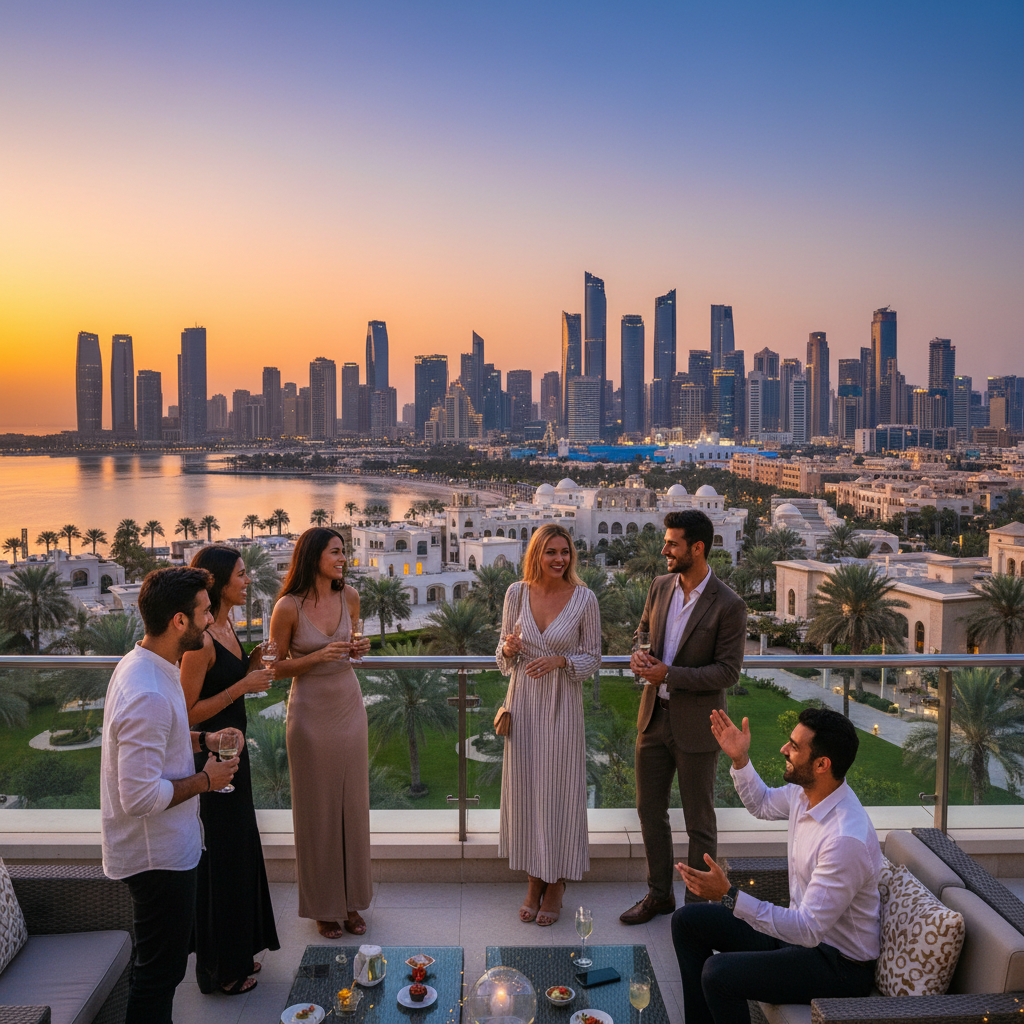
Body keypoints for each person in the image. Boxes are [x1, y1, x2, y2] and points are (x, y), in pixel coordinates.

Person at [672, 707, 882, 1024]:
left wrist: (729, 894)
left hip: (837, 964)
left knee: (719, 974)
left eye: (795, 747)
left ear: (822, 764)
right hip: (799, 940)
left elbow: (808, 929)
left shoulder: (844, 839)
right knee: (687, 921)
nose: (784, 749)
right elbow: (762, 803)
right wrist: (740, 759)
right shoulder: (804, 793)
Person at [101, 567, 242, 1024]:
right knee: (159, 976)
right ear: (180, 621)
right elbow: (138, 797)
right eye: (204, 612)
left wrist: (202, 741)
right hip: (156, 858)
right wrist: (208, 780)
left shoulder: (144, 665)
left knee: (158, 968)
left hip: (164, 848)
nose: (210, 620)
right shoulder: (148, 693)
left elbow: (158, 743)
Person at [621, 509, 746, 925]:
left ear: (698, 548)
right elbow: (641, 632)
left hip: (698, 726)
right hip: (653, 718)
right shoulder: (659, 587)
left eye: (673, 543)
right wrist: (639, 654)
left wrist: (669, 674)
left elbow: (728, 671)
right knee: (648, 810)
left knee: (699, 821)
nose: (665, 549)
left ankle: (697, 909)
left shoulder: (729, 604)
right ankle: (659, 896)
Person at [180, 545, 280, 995]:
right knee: (221, 859)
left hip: (234, 756)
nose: (248, 580)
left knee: (239, 853)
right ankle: (219, 971)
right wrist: (243, 682)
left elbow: (232, 683)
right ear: (219, 582)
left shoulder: (225, 625)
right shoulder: (200, 640)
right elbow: (186, 713)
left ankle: (238, 956)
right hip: (212, 759)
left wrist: (253, 661)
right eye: (241, 575)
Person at [268, 527, 372, 939]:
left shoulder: (350, 597)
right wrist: (315, 657)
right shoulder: (287, 607)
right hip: (309, 714)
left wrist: (355, 649)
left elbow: (349, 644)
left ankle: (351, 903)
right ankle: (323, 908)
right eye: (335, 552)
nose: (343, 558)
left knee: (352, 806)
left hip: (349, 705)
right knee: (317, 812)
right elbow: (273, 669)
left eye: (343, 552)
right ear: (313, 557)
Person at [496, 522, 601, 926]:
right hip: (522, 705)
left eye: (565, 552)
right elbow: (503, 658)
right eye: (550, 552)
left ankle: (555, 883)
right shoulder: (516, 593)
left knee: (558, 791)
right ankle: (534, 880)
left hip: (561, 705)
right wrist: (507, 647)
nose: (559, 559)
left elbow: (593, 657)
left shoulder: (584, 598)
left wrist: (561, 660)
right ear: (535, 554)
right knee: (527, 792)